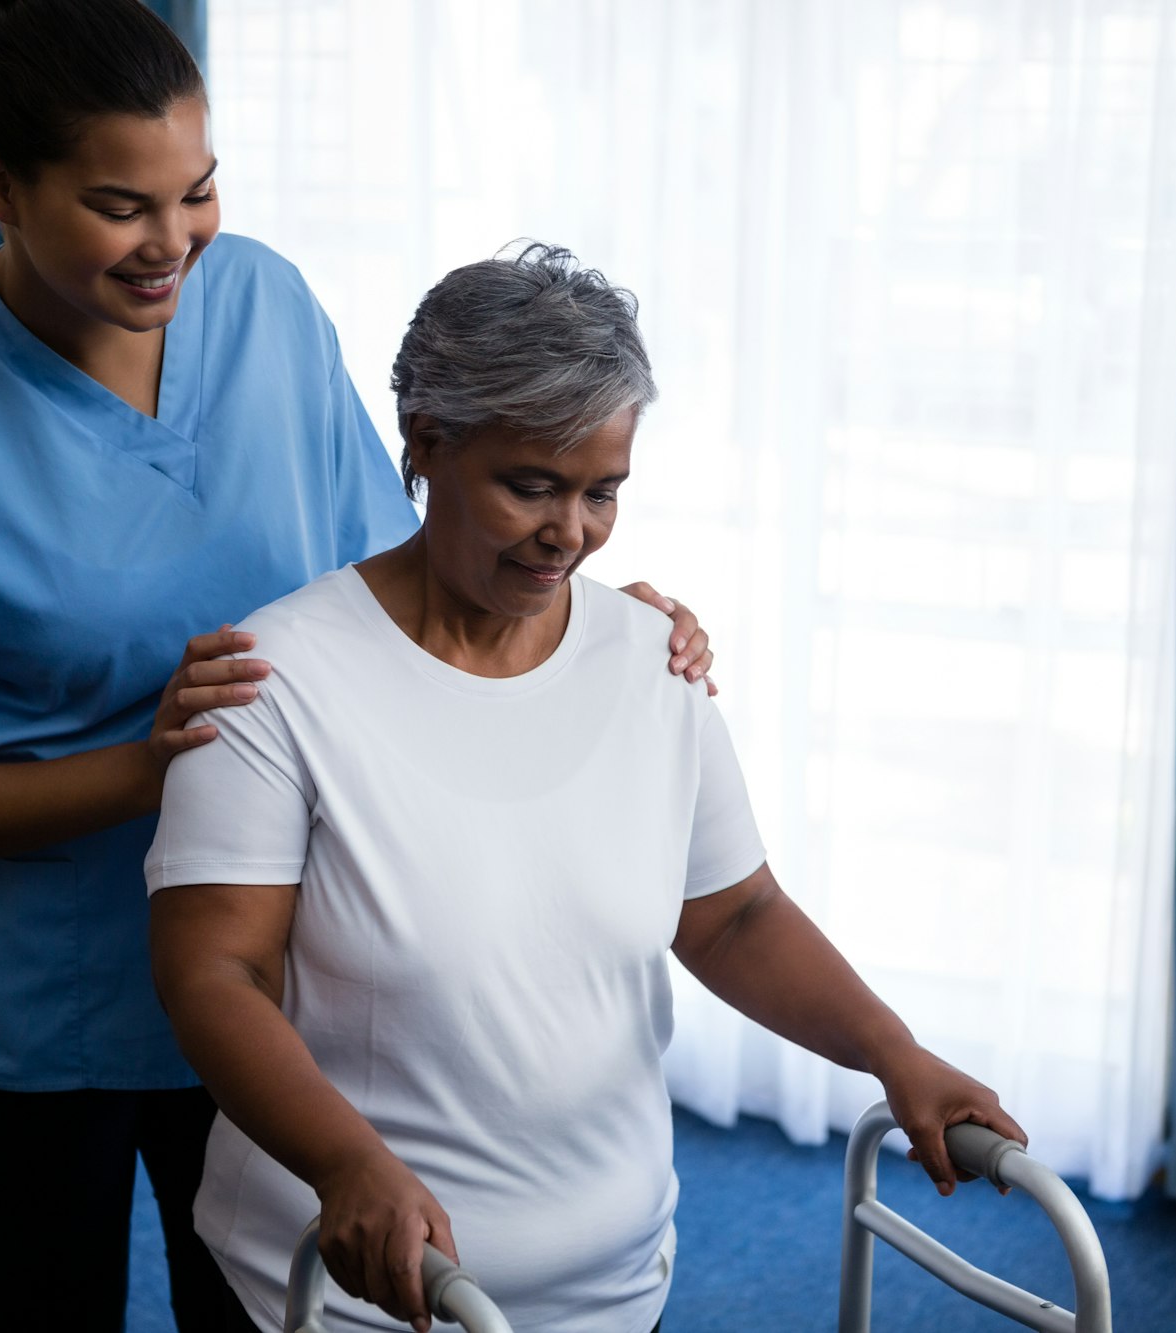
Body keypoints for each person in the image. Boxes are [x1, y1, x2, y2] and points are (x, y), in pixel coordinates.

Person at [0, 3, 714, 1329]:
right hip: (45, 1018)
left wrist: (583, 611)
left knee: (267, 1311)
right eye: (120, 205)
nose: (175, 243)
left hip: (274, 978)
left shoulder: (260, 301)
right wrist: (139, 765)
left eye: (198, 191)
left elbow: (401, 574)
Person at [146, 245, 1026, 1333]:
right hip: (355, 1291)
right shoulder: (274, 681)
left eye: (601, 492)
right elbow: (212, 974)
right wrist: (345, 1162)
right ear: (425, 444)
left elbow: (734, 913)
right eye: (530, 487)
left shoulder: (653, 663)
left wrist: (894, 1054)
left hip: (612, 1287)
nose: (570, 533)